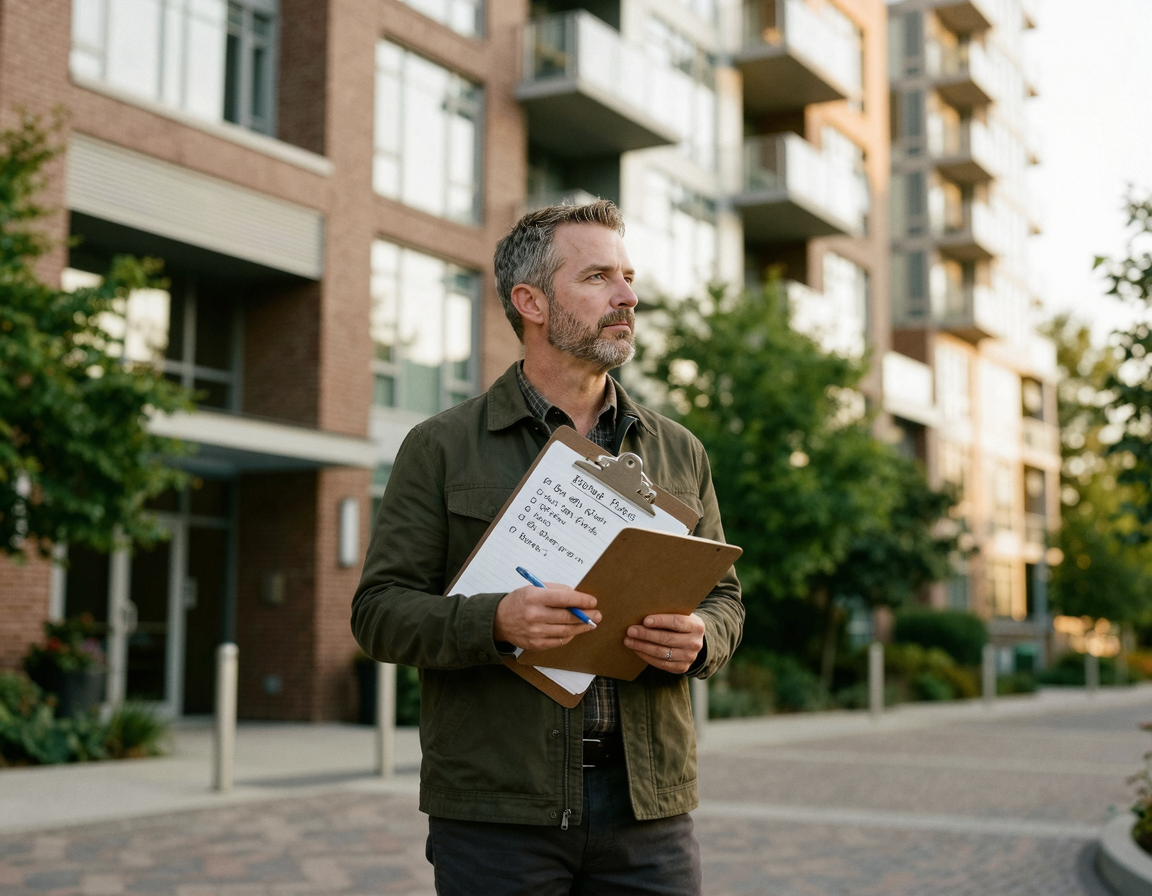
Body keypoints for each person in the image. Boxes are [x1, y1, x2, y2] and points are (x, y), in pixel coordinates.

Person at [352, 200, 743, 896]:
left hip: (648, 810)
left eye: (627, 277)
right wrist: (495, 622)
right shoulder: (441, 447)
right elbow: (378, 612)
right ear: (529, 301)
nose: (628, 297)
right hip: (499, 816)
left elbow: (723, 598)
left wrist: (701, 637)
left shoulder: (679, 450)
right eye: (598, 277)